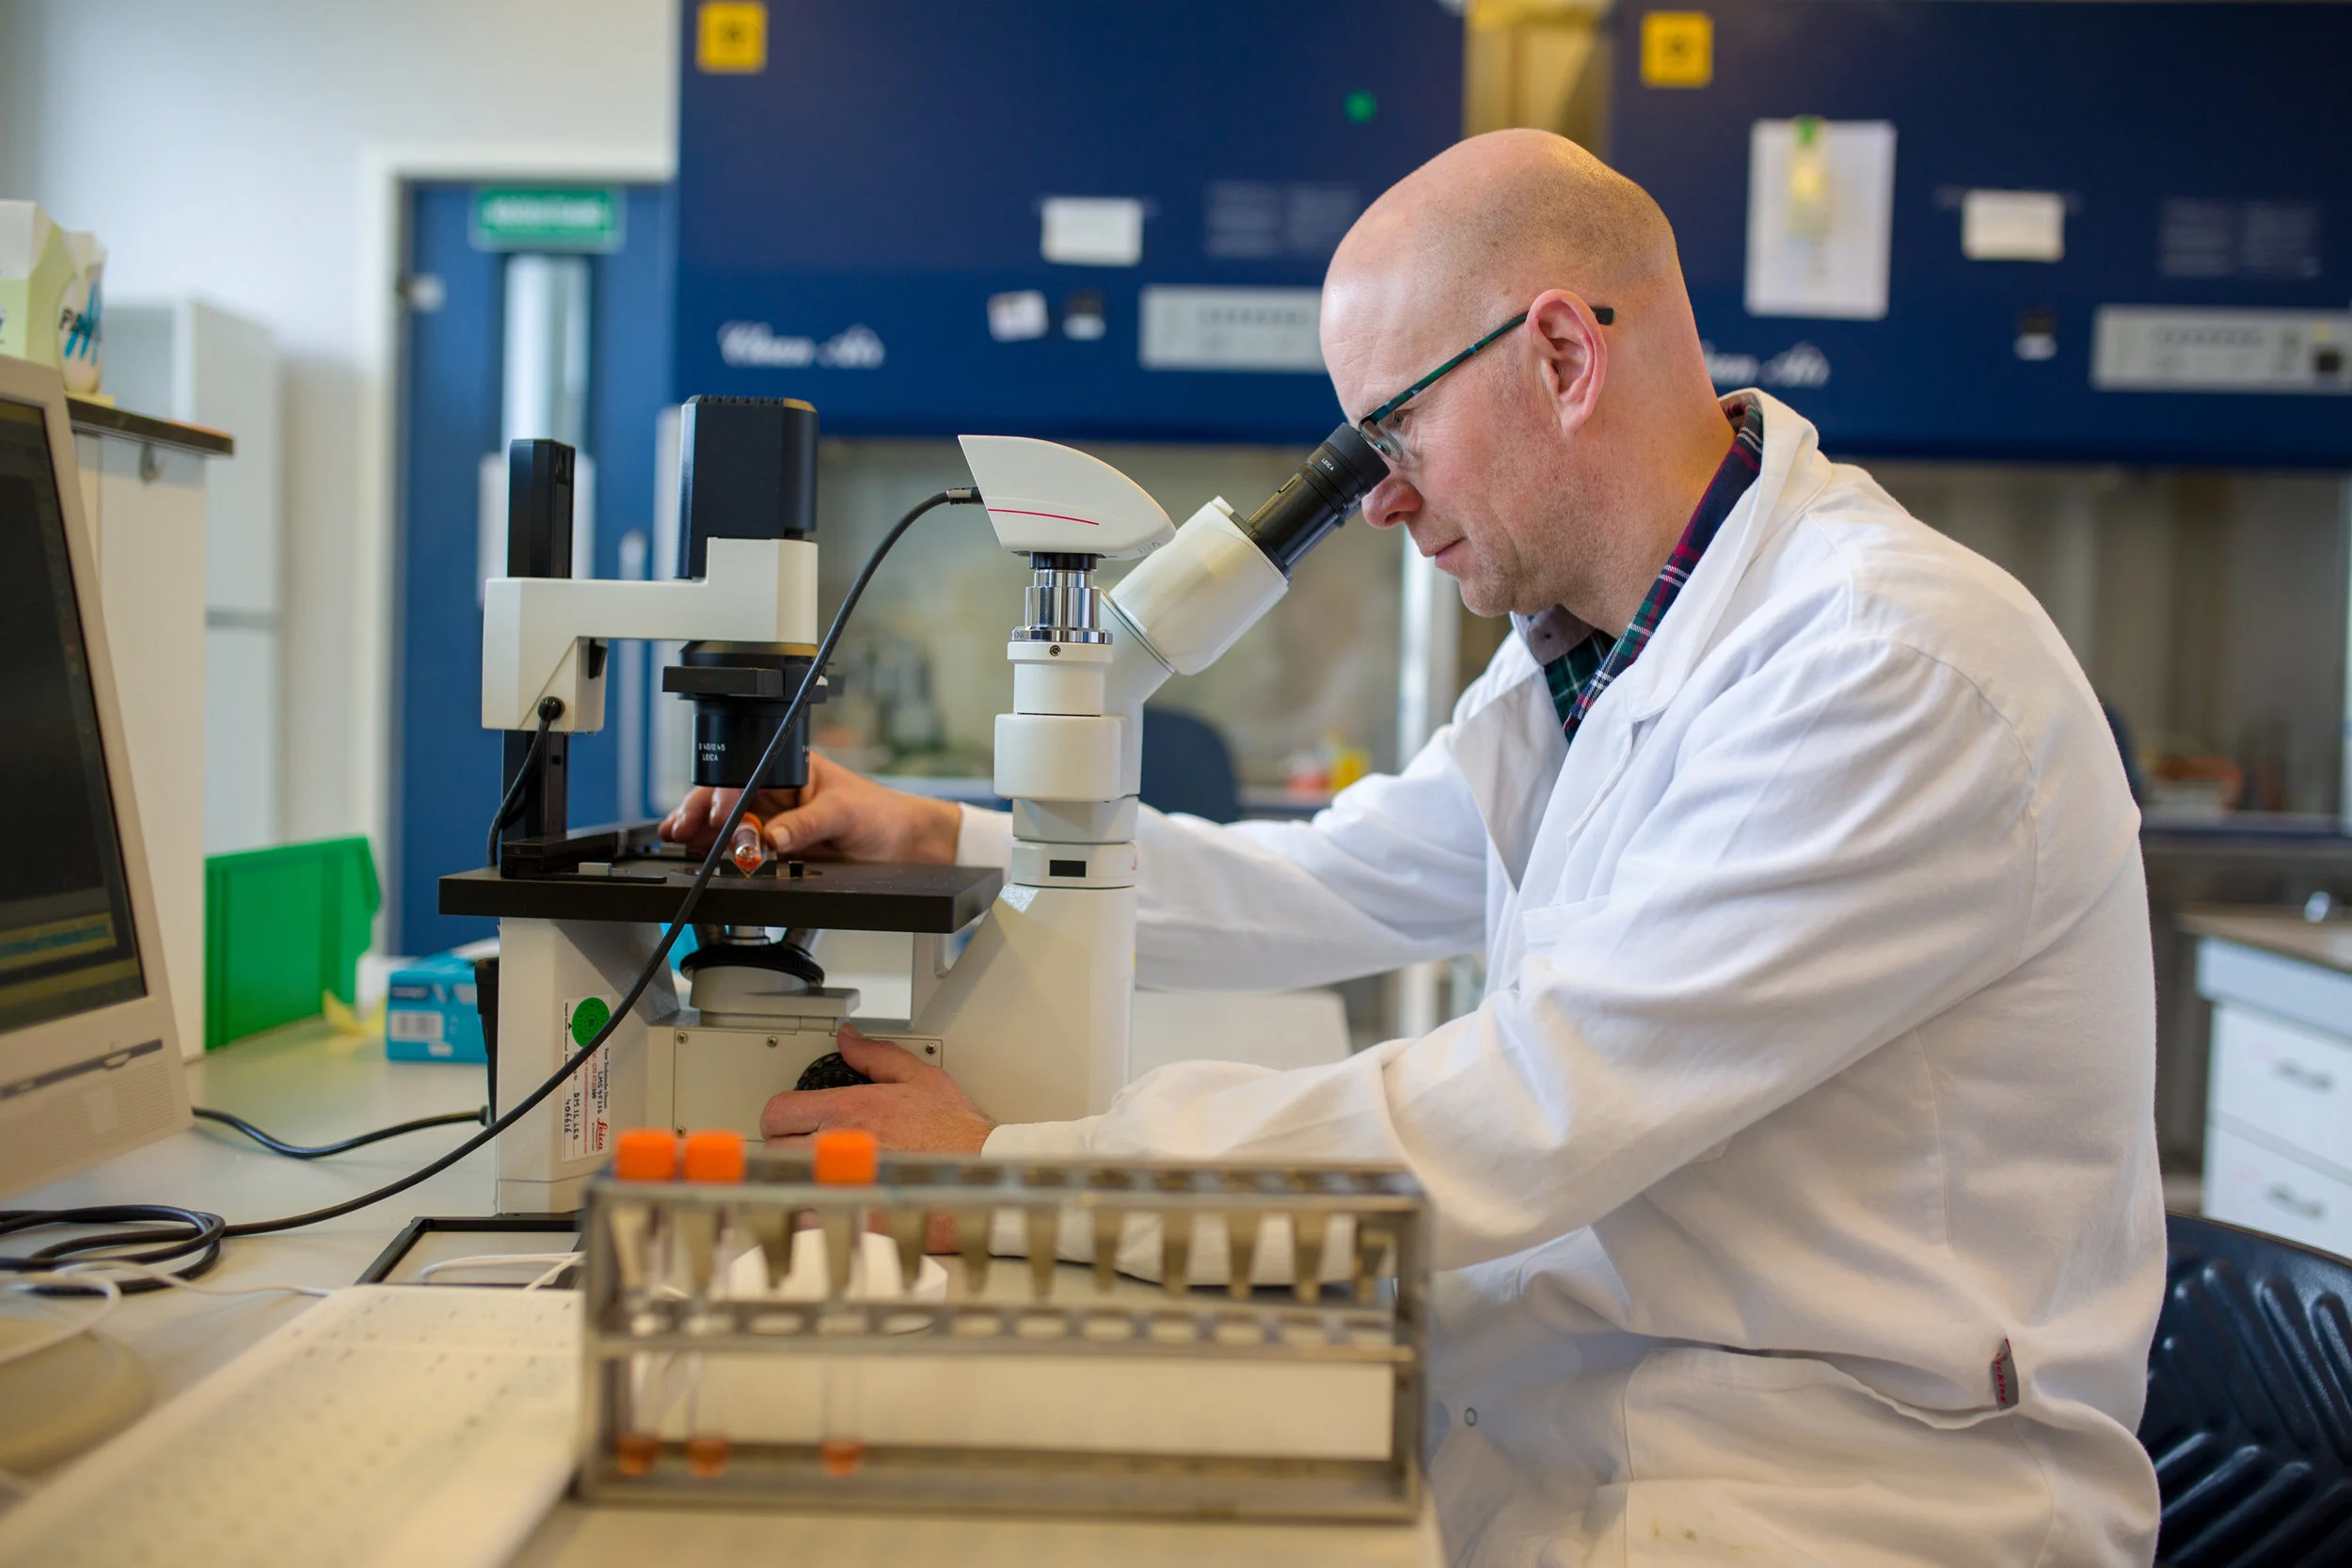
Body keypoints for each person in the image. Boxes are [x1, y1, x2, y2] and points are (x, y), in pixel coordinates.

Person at [665, 130, 2163, 1565]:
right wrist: (950, 835)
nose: (1376, 496)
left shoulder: (1886, 665)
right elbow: (1333, 876)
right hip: (1578, 1430)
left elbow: (1534, 1099)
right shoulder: (1591, 652)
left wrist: (1012, 1171)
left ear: (1563, 355)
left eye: (1394, 429)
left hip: (1841, 1489)